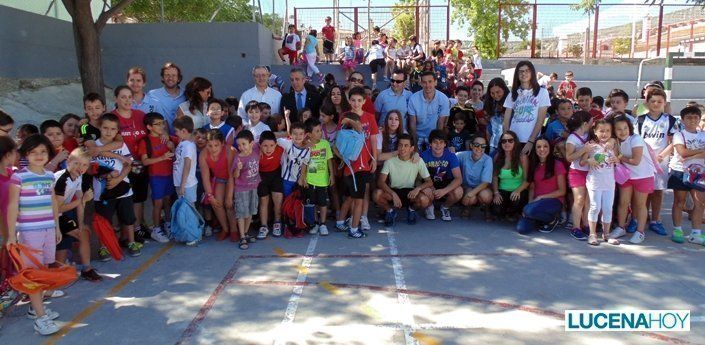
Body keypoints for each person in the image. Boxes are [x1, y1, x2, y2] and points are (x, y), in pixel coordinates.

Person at [6, 134, 62, 335]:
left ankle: (34, 307)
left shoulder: (48, 176)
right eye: (33, 152)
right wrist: (12, 235)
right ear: (25, 155)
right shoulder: (19, 177)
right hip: (29, 232)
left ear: (49, 154)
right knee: (34, 275)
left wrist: (56, 227)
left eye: (43, 151)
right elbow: (13, 206)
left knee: (44, 269)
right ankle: (40, 318)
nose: (39, 155)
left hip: (48, 229)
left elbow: (53, 202)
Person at [91, 114, 141, 258]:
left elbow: (128, 164)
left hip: (124, 189)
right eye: (105, 128)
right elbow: (92, 169)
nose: (108, 131)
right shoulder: (95, 146)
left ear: (117, 131)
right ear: (99, 127)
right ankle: (104, 246)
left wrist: (118, 179)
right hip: (102, 192)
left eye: (113, 129)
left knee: (128, 218)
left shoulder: (122, 145)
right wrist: (107, 176)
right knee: (104, 220)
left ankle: (131, 242)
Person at [53, 148, 101, 281]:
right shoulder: (62, 180)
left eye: (84, 165)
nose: (80, 167)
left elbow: (81, 203)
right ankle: (84, 269)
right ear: (68, 161)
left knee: (82, 233)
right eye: (77, 163)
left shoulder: (78, 176)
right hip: (48, 217)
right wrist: (82, 200)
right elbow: (58, 208)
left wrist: (81, 224)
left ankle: (87, 269)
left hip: (60, 216)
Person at [636, 88, 677, 237]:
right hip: (644, 160)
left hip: (661, 160)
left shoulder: (670, 120)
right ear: (647, 102)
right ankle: (641, 217)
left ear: (664, 103)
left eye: (660, 101)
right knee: (644, 192)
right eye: (653, 101)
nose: (656, 104)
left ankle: (655, 220)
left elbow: (674, 141)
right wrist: (646, 156)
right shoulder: (641, 120)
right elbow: (637, 140)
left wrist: (661, 155)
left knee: (658, 191)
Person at [111, 86, 150, 237]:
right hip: (120, 165)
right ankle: (121, 233)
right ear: (116, 99)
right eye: (123, 97)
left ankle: (137, 228)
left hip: (139, 164)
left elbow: (154, 131)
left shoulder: (140, 115)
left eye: (129, 97)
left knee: (138, 198)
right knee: (122, 199)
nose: (127, 100)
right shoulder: (111, 117)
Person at [611, 114, 655, 244]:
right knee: (623, 203)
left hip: (643, 176)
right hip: (627, 176)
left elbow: (635, 161)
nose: (622, 131)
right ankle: (620, 227)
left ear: (630, 128)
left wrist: (619, 157)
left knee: (640, 205)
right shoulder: (616, 142)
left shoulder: (636, 139)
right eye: (619, 129)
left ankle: (640, 232)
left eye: (625, 128)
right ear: (614, 131)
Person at [665, 106, 705, 245]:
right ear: (682, 120)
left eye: (695, 117)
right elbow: (682, 153)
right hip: (680, 171)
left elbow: (690, 153)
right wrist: (701, 151)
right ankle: (677, 229)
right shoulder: (679, 134)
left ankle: (696, 233)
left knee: (699, 202)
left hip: (698, 172)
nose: (692, 120)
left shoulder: (703, 135)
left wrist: (695, 154)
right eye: (689, 117)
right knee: (679, 201)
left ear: (699, 119)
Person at [375, 133, 433, 226]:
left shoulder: (418, 161)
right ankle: (390, 211)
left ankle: (411, 210)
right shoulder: (390, 161)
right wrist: (393, 194)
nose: (402, 148)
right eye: (400, 145)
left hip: (410, 192)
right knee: (377, 194)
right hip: (393, 191)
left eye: (406, 145)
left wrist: (418, 189)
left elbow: (429, 181)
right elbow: (380, 182)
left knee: (424, 199)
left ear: (411, 148)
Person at [138, 112, 177, 243]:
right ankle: (156, 229)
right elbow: (145, 161)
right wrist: (162, 158)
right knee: (158, 203)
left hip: (169, 174)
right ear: (149, 127)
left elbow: (182, 142)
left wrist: (173, 147)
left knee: (167, 201)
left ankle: (167, 223)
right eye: (158, 124)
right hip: (156, 176)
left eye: (163, 123)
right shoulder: (145, 141)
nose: (162, 126)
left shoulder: (167, 137)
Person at [516, 138, 566, 234]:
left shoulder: (558, 164)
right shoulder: (534, 164)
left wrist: (540, 197)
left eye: (545, 146)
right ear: (535, 149)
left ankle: (552, 219)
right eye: (538, 147)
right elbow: (532, 187)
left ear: (550, 148)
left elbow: (562, 191)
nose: (542, 149)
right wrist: (530, 204)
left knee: (529, 211)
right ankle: (538, 218)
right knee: (522, 229)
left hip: (554, 201)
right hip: (536, 203)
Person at [583, 119, 620, 245]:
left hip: (609, 183)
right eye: (601, 131)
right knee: (595, 207)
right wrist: (589, 161)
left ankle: (606, 234)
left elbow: (618, 159)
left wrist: (616, 159)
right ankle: (592, 234)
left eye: (608, 131)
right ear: (595, 131)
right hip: (594, 182)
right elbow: (582, 162)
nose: (605, 134)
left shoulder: (612, 145)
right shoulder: (590, 145)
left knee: (608, 208)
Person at [503, 61, 550, 155]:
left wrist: (531, 141)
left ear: (532, 73)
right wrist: (507, 140)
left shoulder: (542, 92)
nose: (524, 73)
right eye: (520, 71)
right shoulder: (512, 94)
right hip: (513, 140)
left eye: (527, 71)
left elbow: (540, 120)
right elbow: (506, 120)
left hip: (530, 140)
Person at [227, 130, 261, 249]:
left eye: (243, 144)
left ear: (251, 143)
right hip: (241, 190)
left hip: (254, 187)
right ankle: (242, 236)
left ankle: (246, 233)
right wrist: (238, 169)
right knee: (241, 213)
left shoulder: (256, 149)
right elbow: (235, 175)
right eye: (239, 145)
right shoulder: (238, 158)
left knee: (251, 211)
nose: (241, 147)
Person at [420, 130, 463, 221]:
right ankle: (429, 206)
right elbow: (417, 178)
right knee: (425, 193)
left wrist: (444, 191)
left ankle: (445, 207)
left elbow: (458, 179)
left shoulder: (451, 156)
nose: (438, 145)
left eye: (441, 142)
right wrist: (424, 187)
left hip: (445, 183)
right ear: (430, 144)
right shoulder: (423, 156)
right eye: (435, 142)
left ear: (445, 144)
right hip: (429, 183)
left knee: (459, 191)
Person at [200, 130, 235, 241]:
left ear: (222, 144)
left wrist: (229, 197)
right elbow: (205, 177)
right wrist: (210, 196)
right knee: (216, 203)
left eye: (216, 145)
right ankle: (225, 229)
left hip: (233, 179)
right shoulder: (203, 154)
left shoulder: (230, 151)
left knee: (229, 204)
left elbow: (231, 175)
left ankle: (234, 230)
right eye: (210, 145)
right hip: (220, 179)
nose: (213, 148)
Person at [302, 118, 334, 235]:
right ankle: (315, 223)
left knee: (323, 203)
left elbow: (329, 161)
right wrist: (304, 177)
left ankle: (323, 224)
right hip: (311, 180)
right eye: (317, 131)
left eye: (320, 130)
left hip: (323, 180)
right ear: (309, 134)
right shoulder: (306, 146)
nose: (320, 133)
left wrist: (332, 175)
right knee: (313, 203)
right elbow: (304, 163)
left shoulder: (325, 144)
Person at [565, 111, 592, 240]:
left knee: (588, 200)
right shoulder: (572, 138)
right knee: (579, 199)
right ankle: (575, 227)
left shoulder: (589, 135)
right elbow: (569, 157)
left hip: (590, 171)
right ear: (585, 123)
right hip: (577, 171)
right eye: (591, 121)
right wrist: (583, 150)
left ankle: (586, 224)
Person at [491, 131, 529, 221]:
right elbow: (495, 177)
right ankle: (505, 211)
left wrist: (517, 190)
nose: (507, 143)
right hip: (502, 190)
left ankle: (513, 213)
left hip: (518, 190)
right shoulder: (498, 156)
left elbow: (527, 180)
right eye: (504, 141)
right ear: (501, 144)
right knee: (497, 210)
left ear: (515, 142)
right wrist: (496, 193)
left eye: (510, 140)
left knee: (516, 200)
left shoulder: (522, 157)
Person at [408, 71, 450, 150]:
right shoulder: (413, 99)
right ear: (420, 83)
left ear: (435, 82)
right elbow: (412, 124)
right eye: (424, 82)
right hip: (418, 135)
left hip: (434, 135)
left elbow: (440, 123)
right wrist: (415, 143)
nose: (427, 85)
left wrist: (436, 143)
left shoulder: (443, 99)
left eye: (430, 82)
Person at [457, 136, 494, 219]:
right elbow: (451, 157)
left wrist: (469, 195)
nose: (479, 148)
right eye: (476, 145)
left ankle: (487, 208)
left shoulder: (488, 159)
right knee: (471, 197)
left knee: (486, 196)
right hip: (467, 187)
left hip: (482, 188)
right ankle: (468, 208)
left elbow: (485, 182)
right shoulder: (463, 155)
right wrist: (450, 150)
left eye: (483, 146)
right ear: (471, 145)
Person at [257, 131, 284, 238]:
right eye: (265, 146)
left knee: (278, 199)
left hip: (276, 174)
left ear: (276, 144)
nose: (268, 149)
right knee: (264, 200)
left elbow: (293, 138)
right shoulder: (255, 150)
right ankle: (264, 225)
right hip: (261, 176)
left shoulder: (281, 148)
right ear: (260, 145)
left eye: (271, 145)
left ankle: (277, 222)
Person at [145, 62, 186, 133]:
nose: (170, 78)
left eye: (174, 75)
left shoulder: (186, 94)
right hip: (162, 138)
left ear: (179, 78)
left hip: (183, 137)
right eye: (167, 75)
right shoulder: (152, 94)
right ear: (162, 78)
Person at [173, 116, 199, 205]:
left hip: (187, 185)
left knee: (189, 211)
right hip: (180, 182)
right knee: (183, 210)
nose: (175, 133)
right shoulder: (183, 142)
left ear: (183, 131)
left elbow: (187, 166)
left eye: (176, 131)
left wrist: (182, 186)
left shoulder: (189, 146)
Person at [483, 78, 510, 156]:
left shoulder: (510, 102)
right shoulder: (490, 103)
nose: (495, 95)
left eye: (498, 92)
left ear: (504, 89)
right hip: (494, 143)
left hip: (507, 143)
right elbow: (489, 125)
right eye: (492, 93)